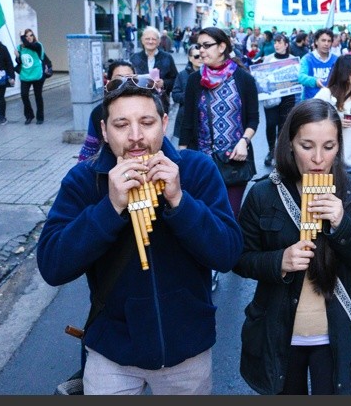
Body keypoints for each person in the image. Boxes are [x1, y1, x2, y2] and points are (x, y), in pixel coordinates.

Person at [36, 79, 243, 395]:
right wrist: (111, 206)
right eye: (121, 125)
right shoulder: (84, 181)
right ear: (105, 131)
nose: (135, 137)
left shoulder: (197, 170)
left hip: (187, 353)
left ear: (164, 123)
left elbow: (227, 253)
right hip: (112, 355)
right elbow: (53, 265)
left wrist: (180, 201)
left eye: (146, 123)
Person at [233, 99, 351, 395]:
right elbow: (240, 259)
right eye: (307, 146)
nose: (318, 158)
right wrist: (279, 261)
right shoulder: (264, 194)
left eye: (328, 147)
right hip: (278, 333)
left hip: (336, 336)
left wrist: (342, 224)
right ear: (290, 143)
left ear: (339, 146)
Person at [178, 26, 259, 219]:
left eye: (207, 45)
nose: (201, 51)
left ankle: (231, 249)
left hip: (234, 160)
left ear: (222, 47)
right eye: (199, 46)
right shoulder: (194, 80)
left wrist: (244, 142)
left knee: (230, 215)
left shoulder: (244, 79)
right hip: (203, 161)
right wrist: (182, 158)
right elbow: (187, 122)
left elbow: (253, 118)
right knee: (205, 215)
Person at [77, 60, 136, 162]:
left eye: (129, 79)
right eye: (119, 79)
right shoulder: (98, 112)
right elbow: (89, 149)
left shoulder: (147, 108)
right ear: (109, 82)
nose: (125, 83)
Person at [261, 34, 298, 167]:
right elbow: (262, 77)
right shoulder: (268, 59)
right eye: (275, 42)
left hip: (288, 98)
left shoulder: (293, 60)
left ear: (286, 44)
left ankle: (281, 154)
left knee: (283, 126)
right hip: (271, 98)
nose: (276, 45)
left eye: (279, 42)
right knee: (271, 124)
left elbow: (297, 79)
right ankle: (271, 151)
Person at [130, 25, 179, 114]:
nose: (150, 41)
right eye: (147, 39)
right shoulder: (134, 58)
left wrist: (164, 83)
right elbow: (128, 79)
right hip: (138, 102)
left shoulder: (167, 57)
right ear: (142, 40)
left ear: (158, 41)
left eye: (154, 39)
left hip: (160, 103)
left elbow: (176, 80)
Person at [14, 28, 48, 124]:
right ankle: (29, 115)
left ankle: (40, 117)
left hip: (37, 74)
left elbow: (30, 45)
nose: (29, 38)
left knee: (38, 96)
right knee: (24, 95)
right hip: (25, 75)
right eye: (26, 36)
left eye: (31, 35)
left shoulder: (37, 45)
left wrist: (21, 36)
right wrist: (17, 57)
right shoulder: (20, 47)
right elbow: (20, 62)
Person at [170, 43, 203, 142]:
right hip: (185, 117)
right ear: (190, 58)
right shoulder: (182, 75)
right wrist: (189, 96)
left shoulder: (211, 74)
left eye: (202, 56)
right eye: (196, 56)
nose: (200, 59)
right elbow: (175, 95)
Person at [298, 28, 338, 101]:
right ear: (316, 42)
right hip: (310, 102)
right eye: (323, 40)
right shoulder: (307, 58)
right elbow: (301, 77)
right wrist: (315, 81)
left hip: (330, 101)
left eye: (329, 41)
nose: (326, 44)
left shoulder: (336, 59)